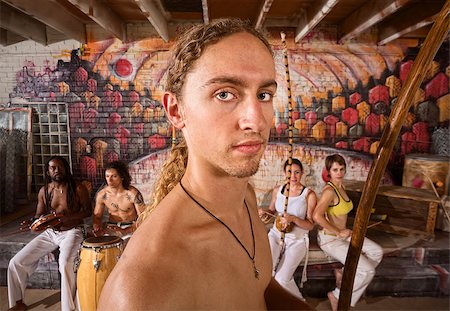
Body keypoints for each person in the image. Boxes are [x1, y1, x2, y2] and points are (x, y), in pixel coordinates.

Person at [98, 19, 312, 310]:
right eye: (224, 94)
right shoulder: (144, 286)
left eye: (264, 95)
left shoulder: (245, 199)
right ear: (176, 111)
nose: (256, 120)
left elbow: (258, 288)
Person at [7, 156, 92, 311]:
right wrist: (32, 221)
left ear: (66, 169)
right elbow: (39, 215)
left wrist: (67, 217)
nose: (57, 170)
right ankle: (17, 303)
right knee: (16, 262)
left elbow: (88, 212)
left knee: (65, 264)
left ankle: (69, 308)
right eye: (53, 168)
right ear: (48, 171)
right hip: (51, 232)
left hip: (72, 232)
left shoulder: (78, 188)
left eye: (60, 167)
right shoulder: (44, 190)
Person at [313, 154, 383, 311]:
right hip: (330, 239)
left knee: (377, 252)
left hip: (344, 235)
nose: (339, 172)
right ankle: (337, 295)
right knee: (367, 271)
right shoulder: (329, 191)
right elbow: (316, 216)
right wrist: (338, 231)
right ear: (328, 172)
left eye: (341, 169)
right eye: (335, 170)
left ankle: (344, 274)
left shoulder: (341, 186)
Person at [259, 158, 316, 301]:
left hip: (297, 240)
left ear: (302, 173)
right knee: (267, 272)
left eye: (297, 172)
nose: (293, 176)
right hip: (276, 235)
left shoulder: (308, 194)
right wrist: (263, 212)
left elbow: (310, 225)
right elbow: (272, 211)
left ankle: (301, 305)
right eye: (290, 172)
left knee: (282, 279)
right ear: (284, 173)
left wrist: (294, 219)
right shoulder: (278, 190)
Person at [93, 160, 145, 242]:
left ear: (122, 177)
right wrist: (97, 227)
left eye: (114, 176)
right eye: (107, 176)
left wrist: (125, 230)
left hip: (131, 227)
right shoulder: (102, 195)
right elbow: (97, 217)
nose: (109, 180)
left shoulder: (132, 193)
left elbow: (143, 217)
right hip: (111, 228)